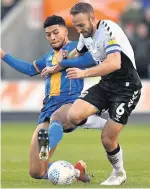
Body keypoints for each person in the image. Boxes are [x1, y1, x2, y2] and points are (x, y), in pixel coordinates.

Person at [1, 15, 107, 182]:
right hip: (47, 110)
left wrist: (63, 63)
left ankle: (47, 144)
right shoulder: (48, 57)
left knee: (57, 118)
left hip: (70, 104)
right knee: (36, 171)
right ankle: (77, 172)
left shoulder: (75, 48)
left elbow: (93, 60)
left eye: (56, 32)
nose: (52, 37)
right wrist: (2, 54)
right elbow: (29, 69)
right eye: (48, 35)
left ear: (65, 31)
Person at [63, 2, 142, 185]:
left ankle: (118, 173)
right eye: (75, 25)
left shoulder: (108, 28)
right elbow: (77, 51)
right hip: (106, 84)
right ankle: (110, 124)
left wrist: (83, 73)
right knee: (73, 116)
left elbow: (115, 64)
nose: (79, 29)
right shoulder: (85, 34)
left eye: (81, 25)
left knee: (107, 139)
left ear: (93, 18)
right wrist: (62, 59)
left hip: (127, 88)